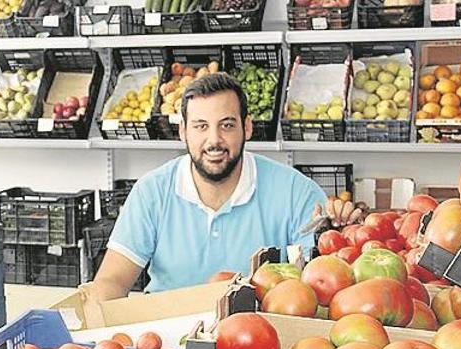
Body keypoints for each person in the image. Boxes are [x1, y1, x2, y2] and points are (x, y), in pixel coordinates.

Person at [88, 72, 359, 301]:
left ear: (247, 127)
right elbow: (112, 281)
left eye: (227, 125)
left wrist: (338, 232)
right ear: (183, 131)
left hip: (260, 338)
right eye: (201, 126)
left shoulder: (297, 192)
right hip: (167, 341)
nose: (214, 140)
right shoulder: (152, 192)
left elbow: (318, 284)